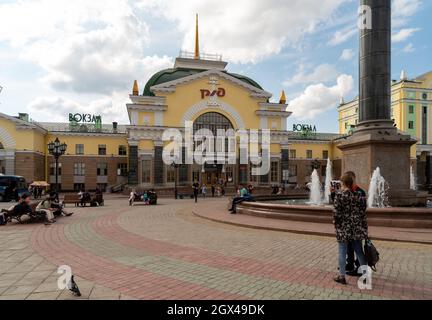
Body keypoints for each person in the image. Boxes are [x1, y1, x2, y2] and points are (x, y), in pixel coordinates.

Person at [333, 173, 368, 285]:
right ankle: (365, 274)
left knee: (342, 252)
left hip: (344, 229)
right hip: (356, 228)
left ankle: (342, 276)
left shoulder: (339, 195)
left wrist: (337, 225)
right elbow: (363, 212)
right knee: (359, 252)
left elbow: (336, 214)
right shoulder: (358, 195)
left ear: (343, 183)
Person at [345, 171, 367, 276]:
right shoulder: (346, 192)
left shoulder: (360, 192)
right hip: (350, 226)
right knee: (349, 246)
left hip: (356, 226)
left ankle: (360, 268)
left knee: (358, 248)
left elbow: (362, 209)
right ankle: (349, 264)